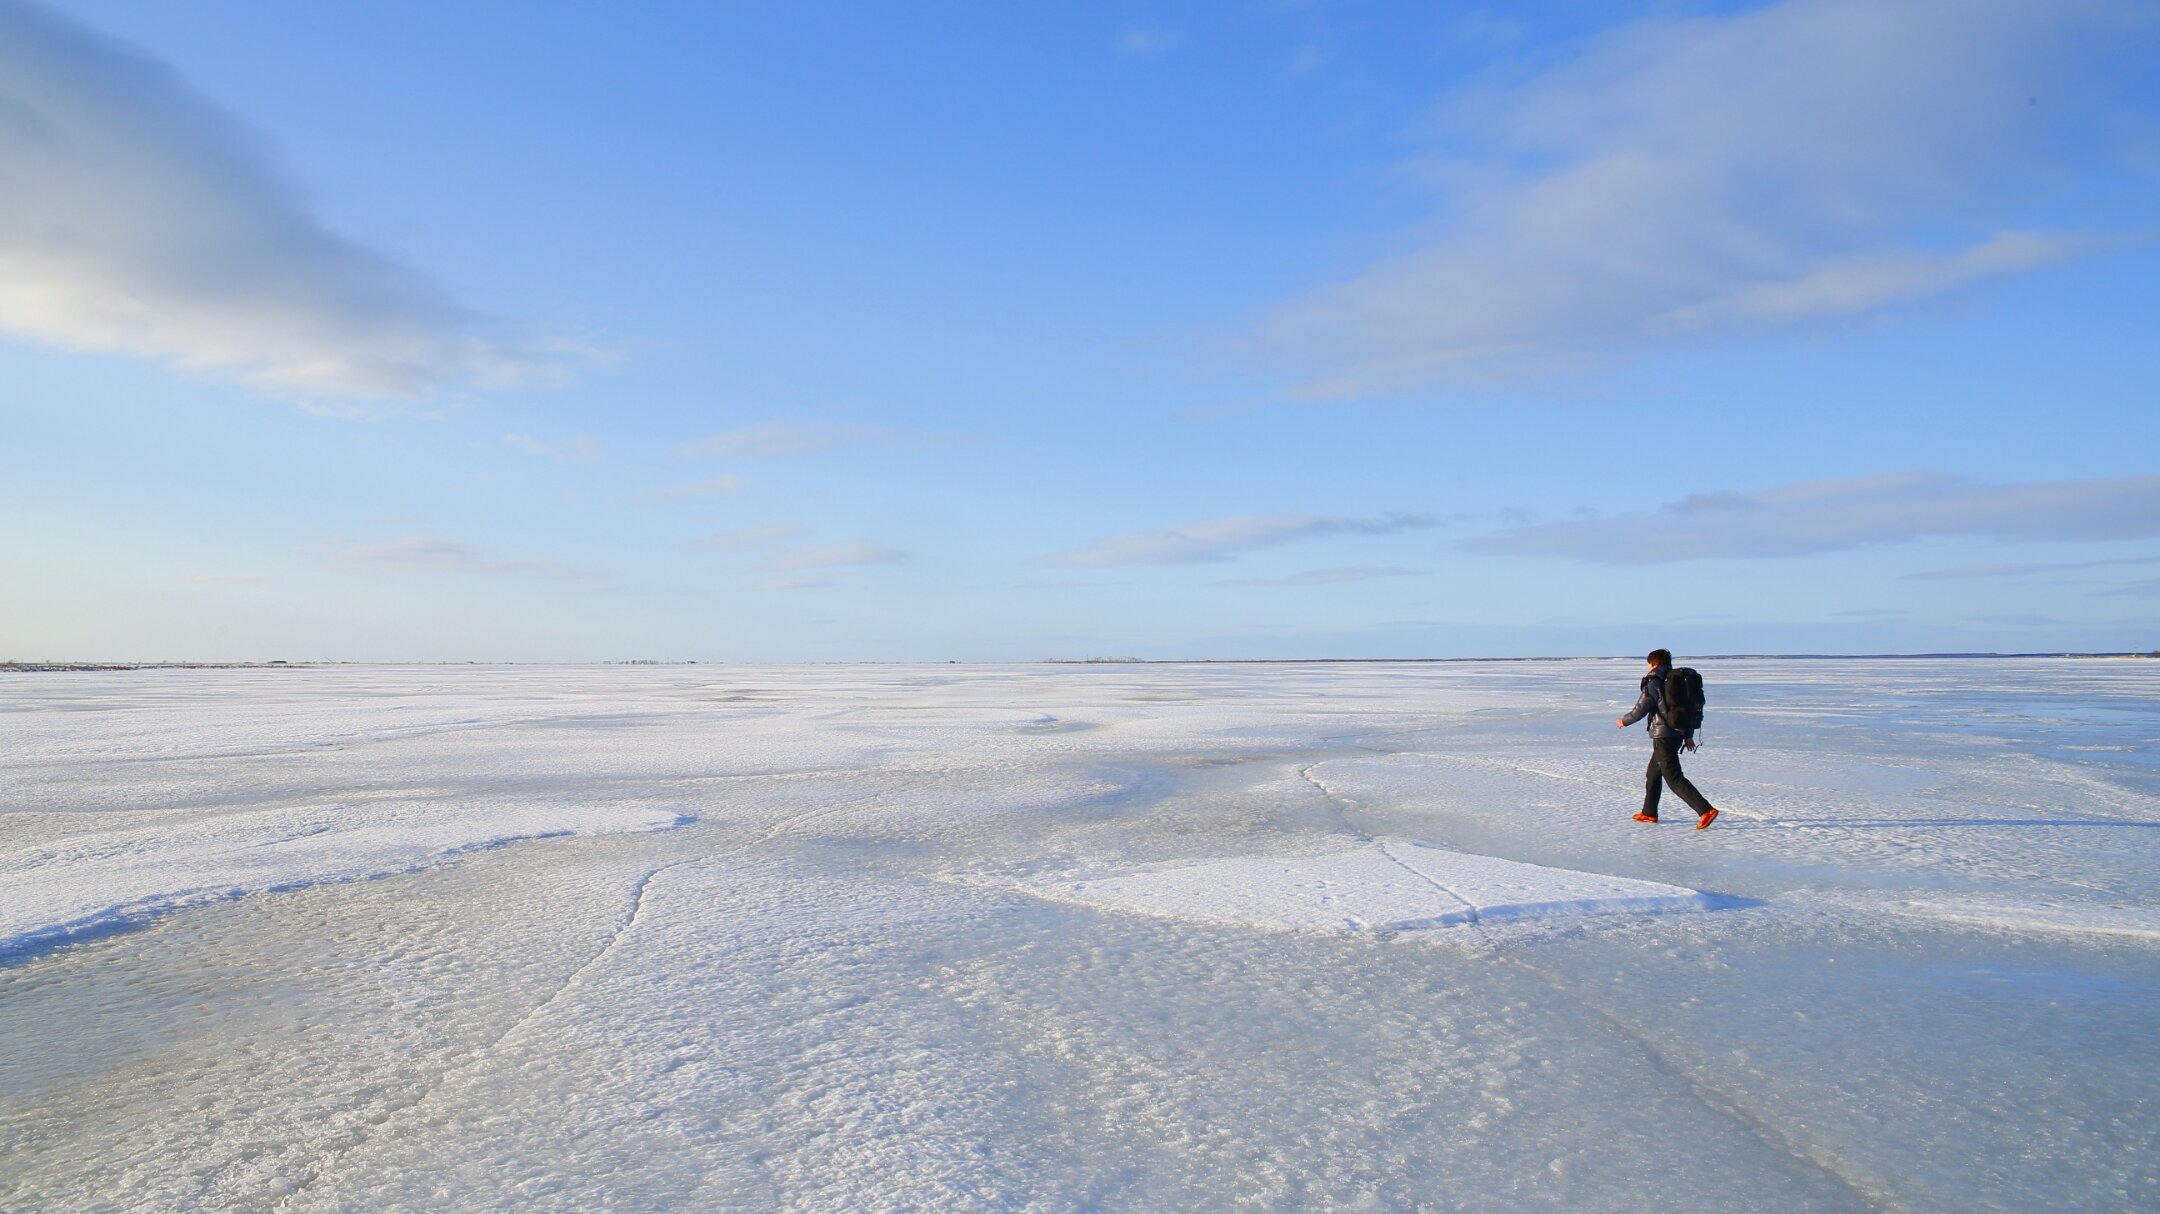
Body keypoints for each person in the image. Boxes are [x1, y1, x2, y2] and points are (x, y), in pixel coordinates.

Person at [1615, 648, 1720, 829]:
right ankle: (1649, 813)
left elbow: (1641, 708)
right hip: (1677, 733)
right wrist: (1688, 735)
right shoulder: (1677, 680)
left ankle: (1705, 810)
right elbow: (1685, 709)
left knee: (1673, 777)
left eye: (1648, 664)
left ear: (1653, 663)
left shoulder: (1655, 681)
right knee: (1653, 773)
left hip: (1664, 735)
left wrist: (1624, 721)